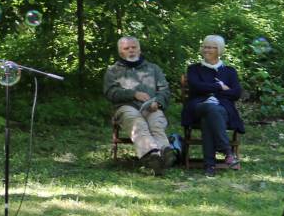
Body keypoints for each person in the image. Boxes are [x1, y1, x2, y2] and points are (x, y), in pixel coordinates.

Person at [103, 36, 173, 173]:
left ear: (139, 49)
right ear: (121, 52)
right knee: (137, 123)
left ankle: (165, 152)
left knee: (156, 123)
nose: (131, 50)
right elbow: (110, 93)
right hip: (125, 107)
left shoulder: (153, 69)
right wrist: (133, 94)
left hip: (150, 106)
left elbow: (164, 90)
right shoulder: (113, 70)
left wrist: (157, 102)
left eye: (134, 47)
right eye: (126, 48)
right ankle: (151, 155)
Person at [182, 34, 244, 175]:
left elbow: (236, 94)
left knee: (210, 115)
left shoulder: (230, 71)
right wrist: (221, 87)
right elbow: (196, 87)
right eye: (205, 46)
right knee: (210, 108)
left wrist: (209, 88)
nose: (207, 50)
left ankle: (209, 165)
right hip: (198, 107)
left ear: (219, 50)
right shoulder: (194, 69)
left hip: (222, 111)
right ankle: (226, 151)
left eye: (211, 47)